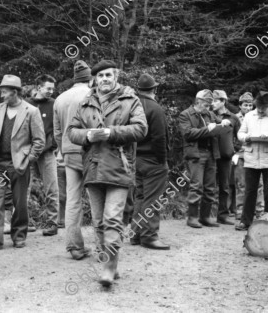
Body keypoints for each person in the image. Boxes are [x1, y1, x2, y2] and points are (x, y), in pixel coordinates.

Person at [68, 59, 147, 287]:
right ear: (95, 79)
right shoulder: (86, 103)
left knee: (113, 219)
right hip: (92, 168)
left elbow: (141, 129)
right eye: (100, 76)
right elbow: (71, 131)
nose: (104, 79)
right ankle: (108, 261)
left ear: (116, 77)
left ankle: (109, 267)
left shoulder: (130, 100)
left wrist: (110, 132)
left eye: (108, 76)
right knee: (98, 221)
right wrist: (88, 136)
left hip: (119, 168)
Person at [0, 75, 45, 251]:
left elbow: (39, 141)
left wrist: (28, 159)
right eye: (1, 91)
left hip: (19, 165)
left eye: (5, 92)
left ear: (15, 92)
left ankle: (19, 235)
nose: (1, 95)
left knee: (19, 202)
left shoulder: (31, 111)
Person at [53, 60, 93, 260]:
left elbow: (57, 132)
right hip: (90, 151)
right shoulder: (92, 95)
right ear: (90, 78)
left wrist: (64, 149)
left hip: (68, 152)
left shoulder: (60, 98)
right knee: (96, 197)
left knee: (73, 199)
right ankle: (104, 245)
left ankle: (74, 246)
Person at [236, 91, 268, 231]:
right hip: (251, 157)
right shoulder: (249, 116)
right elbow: (240, 133)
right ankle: (245, 221)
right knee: (250, 191)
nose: (260, 110)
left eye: (263, 108)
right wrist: (246, 137)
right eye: (258, 107)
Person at [178, 89, 232, 228]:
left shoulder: (210, 114)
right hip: (196, 155)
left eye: (209, 105)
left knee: (210, 187)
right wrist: (207, 130)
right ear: (198, 101)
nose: (208, 108)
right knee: (196, 186)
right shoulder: (185, 115)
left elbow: (219, 123)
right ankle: (192, 218)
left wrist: (224, 122)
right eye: (206, 105)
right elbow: (188, 133)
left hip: (211, 154)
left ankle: (205, 217)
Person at [130, 73, 171, 250]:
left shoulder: (132, 105)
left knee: (140, 196)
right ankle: (149, 236)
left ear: (139, 89)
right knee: (153, 199)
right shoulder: (156, 109)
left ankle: (136, 233)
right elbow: (160, 138)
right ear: (154, 89)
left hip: (135, 159)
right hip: (153, 160)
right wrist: (162, 161)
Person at [28, 74, 60, 236]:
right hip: (27, 152)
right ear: (39, 87)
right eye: (48, 88)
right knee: (22, 187)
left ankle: (52, 223)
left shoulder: (54, 104)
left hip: (47, 152)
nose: (51, 91)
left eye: (52, 89)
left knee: (51, 186)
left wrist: (53, 145)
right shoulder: (27, 104)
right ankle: (23, 222)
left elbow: (58, 126)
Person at [232, 92, 265, 221]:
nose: (248, 108)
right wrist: (234, 151)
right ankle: (240, 211)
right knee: (241, 184)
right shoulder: (234, 118)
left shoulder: (258, 117)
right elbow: (231, 137)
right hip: (240, 154)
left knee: (259, 184)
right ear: (240, 106)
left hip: (256, 154)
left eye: (250, 105)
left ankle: (259, 211)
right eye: (245, 105)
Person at [211, 90, 240, 225]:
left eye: (216, 100)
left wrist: (236, 152)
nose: (212, 103)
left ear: (223, 101)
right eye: (212, 100)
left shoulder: (233, 118)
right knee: (208, 186)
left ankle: (222, 215)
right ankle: (204, 215)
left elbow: (240, 137)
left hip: (226, 157)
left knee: (225, 186)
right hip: (210, 155)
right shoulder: (208, 115)